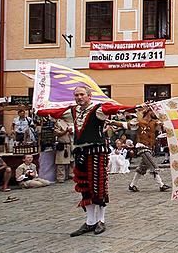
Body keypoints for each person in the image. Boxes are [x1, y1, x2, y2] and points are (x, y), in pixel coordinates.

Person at [39, 86, 134, 236]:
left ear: (89, 96)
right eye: (76, 95)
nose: (79, 97)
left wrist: (135, 107)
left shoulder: (98, 109)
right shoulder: (72, 110)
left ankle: (101, 220)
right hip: (80, 151)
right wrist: (38, 109)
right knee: (85, 186)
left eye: (82, 94)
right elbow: (54, 112)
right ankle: (90, 222)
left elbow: (115, 109)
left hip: (97, 151)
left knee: (99, 186)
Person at [125, 107, 171, 192]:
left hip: (150, 147)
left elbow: (162, 129)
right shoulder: (139, 121)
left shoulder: (154, 122)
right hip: (141, 146)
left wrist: (163, 124)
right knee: (152, 164)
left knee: (141, 168)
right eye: (152, 111)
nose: (154, 113)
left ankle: (132, 185)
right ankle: (161, 185)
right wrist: (112, 122)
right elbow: (126, 125)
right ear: (148, 112)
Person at [53, 113, 74, 183]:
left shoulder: (72, 122)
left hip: (71, 144)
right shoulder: (58, 122)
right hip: (63, 144)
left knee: (72, 161)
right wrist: (65, 131)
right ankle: (60, 177)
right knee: (61, 162)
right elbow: (56, 133)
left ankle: (71, 174)